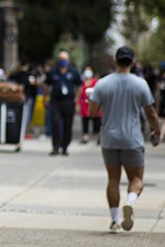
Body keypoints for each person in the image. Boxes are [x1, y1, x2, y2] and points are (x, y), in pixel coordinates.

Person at [88, 46, 162, 234]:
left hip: (109, 138)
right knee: (136, 179)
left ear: (116, 60)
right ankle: (130, 201)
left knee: (113, 178)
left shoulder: (103, 84)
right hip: (132, 139)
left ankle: (114, 221)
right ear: (132, 62)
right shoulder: (140, 84)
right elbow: (150, 113)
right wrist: (157, 130)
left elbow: (93, 112)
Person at [44, 51, 83, 155]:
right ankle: (55, 147)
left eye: (64, 59)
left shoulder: (73, 72)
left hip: (68, 101)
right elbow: (46, 85)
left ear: (68, 60)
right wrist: (45, 97)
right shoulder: (53, 72)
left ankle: (65, 146)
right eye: (61, 59)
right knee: (55, 123)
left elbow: (80, 85)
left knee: (68, 124)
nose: (63, 61)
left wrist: (77, 98)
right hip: (55, 101)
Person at [77, 66, 100, 144]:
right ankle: (85, 137)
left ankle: (99, 137)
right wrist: (78, 104)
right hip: (85, 105)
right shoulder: (82, 83)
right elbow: (79, 93)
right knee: (85, 121)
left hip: (94, 104)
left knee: (96, 121)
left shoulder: (95, 82)